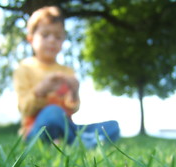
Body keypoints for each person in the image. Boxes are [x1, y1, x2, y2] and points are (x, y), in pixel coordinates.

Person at [13, 6, 120, 148]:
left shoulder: (67, 71)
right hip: (35, 130)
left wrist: (74, 92)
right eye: (45, 35)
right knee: (52, 112)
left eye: (58, 37)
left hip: (67, 126)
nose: (52, 40)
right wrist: (40, 91)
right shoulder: (24, 68)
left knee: (113, 126)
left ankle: (76, 140)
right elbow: (24, 109)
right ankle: (83, 142)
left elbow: (73, 108)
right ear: (31, 39)